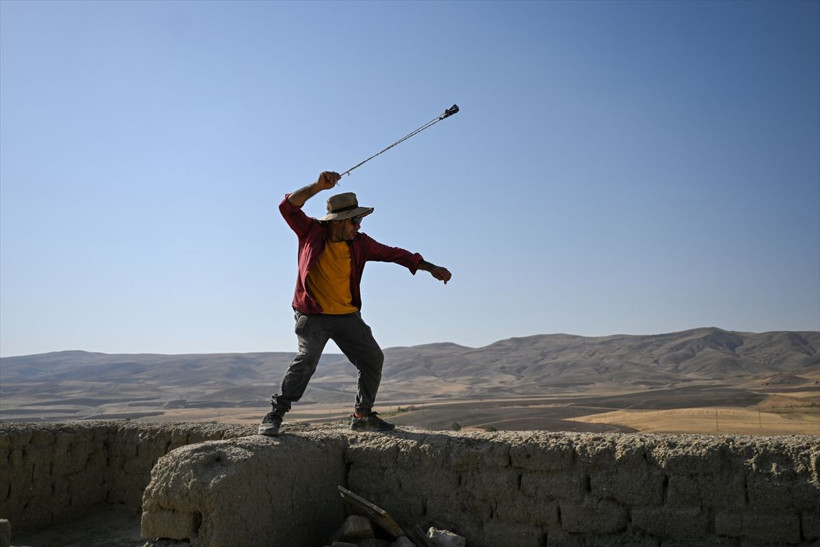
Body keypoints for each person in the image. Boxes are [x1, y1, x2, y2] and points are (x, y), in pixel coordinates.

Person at [259, 171, 452, 436]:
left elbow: (394, 254)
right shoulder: (310, 232)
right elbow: (287, 207)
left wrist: (430, 267)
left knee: (372, 358)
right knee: (308, 359)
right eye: (355, 220)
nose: (359, 226)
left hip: (347, 316)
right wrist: (317, 186)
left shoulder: (360, 243)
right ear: (339, 221)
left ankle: (362, 416)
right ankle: (275, 413)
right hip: (313, 314)